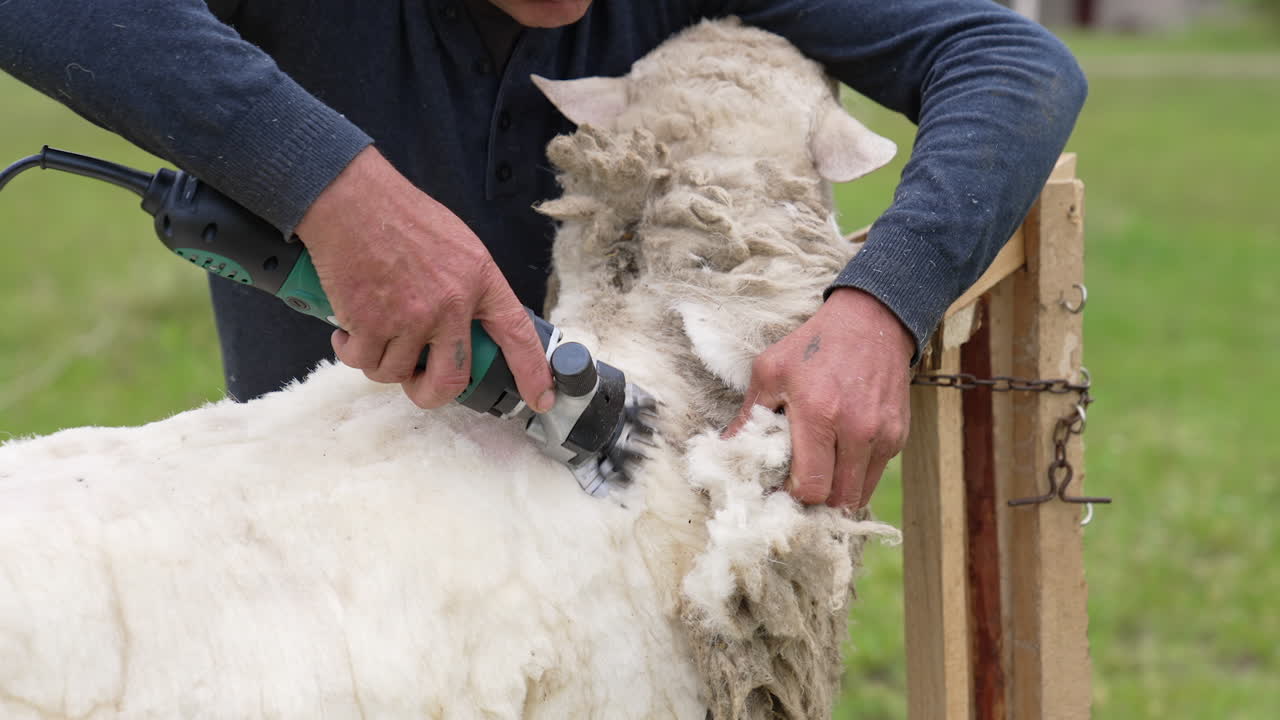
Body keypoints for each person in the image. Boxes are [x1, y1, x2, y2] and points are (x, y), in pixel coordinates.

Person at [0, 0, 1086, 510]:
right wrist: (331, 184)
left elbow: (1009, 62)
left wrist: (877, 307)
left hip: (626, 575)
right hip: (324, 561)